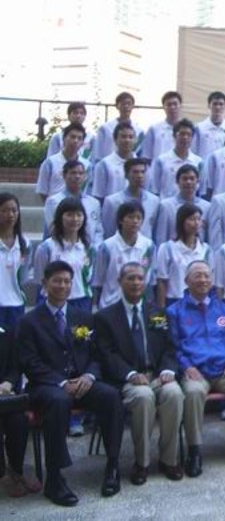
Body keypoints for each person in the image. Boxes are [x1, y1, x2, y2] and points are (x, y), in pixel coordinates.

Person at [17, 261, 124, 506]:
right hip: (47, 385)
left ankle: (113, 466)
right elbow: (29, 362)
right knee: (58, 400)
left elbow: (97, 355)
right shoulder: (29, 321)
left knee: (110, 395)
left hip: (82, 381)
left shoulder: (83, 317)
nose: (63, 286)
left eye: (67, 281)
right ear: (44, 285)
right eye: (57, 281)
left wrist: (88, 376)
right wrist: (61, 382)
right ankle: (54, 477)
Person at [168, 261, 225, 476]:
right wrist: (186, 366)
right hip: (196, 371)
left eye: (206, 276)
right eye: (197, 276)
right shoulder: (175, 311)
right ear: (186, 281)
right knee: (192, 393)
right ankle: (195, 451)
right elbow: (172, 345)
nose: (203, 280)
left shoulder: (223, 309)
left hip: (224, 369)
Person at [94, 262, 185, 484]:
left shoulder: (158, 312)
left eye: (140, 279)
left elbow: (171, 347)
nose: (136, 283)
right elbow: (107, 355)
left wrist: (167, 370)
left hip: (156, 374)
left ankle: (168, 459)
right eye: (130, 278)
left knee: (174, 393)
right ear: (119, 282)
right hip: (128, 379)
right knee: (143, 398)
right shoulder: (106, 317)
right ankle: (142, 463)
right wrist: (130, 374)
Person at [0, 306, 41, 497]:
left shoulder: (6, 333)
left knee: (19, 420)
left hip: (5, 396)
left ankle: (15, 471)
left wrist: (8, 383)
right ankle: (1, 476)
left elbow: (15, 367)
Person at [33, 197, 94, 313]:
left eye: (79, 215)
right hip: (52, 302)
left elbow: (89, 278)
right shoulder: (46, 248)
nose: (75, 219)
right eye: (69, 215)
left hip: (81, 301)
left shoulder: (89, 248)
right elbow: (39, 280)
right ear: (60, 217)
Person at [92, 201, 156, 309]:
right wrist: (95, 306)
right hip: (111, 305)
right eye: (130, 217)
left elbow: (150, 281)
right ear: (121, 220)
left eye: (138, 218)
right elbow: (98, 281)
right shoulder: (107, 247)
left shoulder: (149, 246)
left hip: (139, 307)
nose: (135, 221)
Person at [156, 204, 211, 309]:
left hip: (198, 303)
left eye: (198, 219)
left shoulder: (206, 250)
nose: (196, 223)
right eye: (191, 219)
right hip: (174, 300)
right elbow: (162, 281)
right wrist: (161, 308)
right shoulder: (167, 248)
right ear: (182, 221)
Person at [43, 160, 103, 247]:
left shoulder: (94, 203)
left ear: (85, 177)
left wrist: (95, 247)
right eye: (73, 173)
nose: (77, 176)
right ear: (64, 176)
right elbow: (54, 228)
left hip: (90, 251)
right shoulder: (54, 201)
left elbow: (98, 230)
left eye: (81, 173)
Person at [101, 158, 159, 240]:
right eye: (135, 172)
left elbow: (154, 230)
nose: (140, 176)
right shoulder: (112, 201)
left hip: (144, 249)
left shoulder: (154, 200)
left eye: (142, 172)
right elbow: (108, 232)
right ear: (126, 175)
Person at [153, 163, 210, 246]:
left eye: (192, 179)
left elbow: (208, 237)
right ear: (177, 181)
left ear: (197, 181)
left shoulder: (207, 207)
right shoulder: (166, 206)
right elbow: (161, 236)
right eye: (184, 179)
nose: (188, 182)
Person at [149, 118, 203, 198]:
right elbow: (154, 190)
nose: (185, 137)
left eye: (189, 135)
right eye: (182, 134)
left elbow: (200, 191)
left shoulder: (198, 162)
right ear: (174, 136)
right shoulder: (161, 161)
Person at [0, 193, 31, 330]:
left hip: (16, 305)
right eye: (5, 210)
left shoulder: (25, 243)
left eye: (14, 210)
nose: (10, 215)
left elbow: (24, 276)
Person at [36, 122, 89, 201]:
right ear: (64, 139)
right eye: (72, 137)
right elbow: (42, 191)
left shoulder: (87, 165)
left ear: (82, 143)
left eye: (79, 138)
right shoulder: (49, 163)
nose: (75, 141)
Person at [91, 122, 138, 202]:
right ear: (115, 139)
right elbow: (98, 196)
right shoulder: (104, 165)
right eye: (123, 137)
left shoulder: (141, 165)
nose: (127, 140)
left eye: (130, 137)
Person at [91, 91, 142, 163]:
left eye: (129, 104)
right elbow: (97, 153)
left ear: (133, 106)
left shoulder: (139, 131)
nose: (126, 106)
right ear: (117, 106)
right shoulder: (105, 128)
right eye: (123, 104)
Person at [141, 91, 184, 161]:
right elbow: (146, 155)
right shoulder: (154, 129)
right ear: (163, 107)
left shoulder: (188, 129)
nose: (172, 107)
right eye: (169, 105)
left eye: (175, 104)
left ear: (180, 106)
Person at [192, 91, 225, 159]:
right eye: (215, 104)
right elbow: (193, 152)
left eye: (221, 104)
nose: (218, 107)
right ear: (209, 105)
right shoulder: (199, 128)